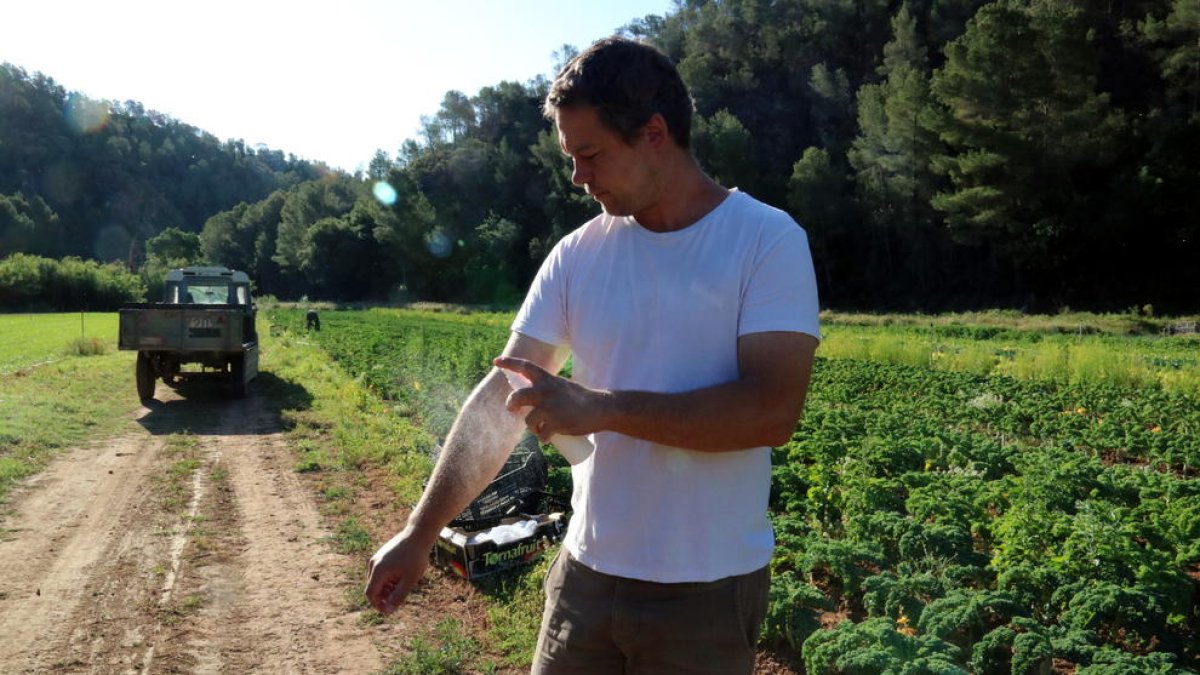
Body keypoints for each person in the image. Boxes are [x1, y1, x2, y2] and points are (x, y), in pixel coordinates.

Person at [365, 36, 820, 674]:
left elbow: (770, 412)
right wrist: (419, 534)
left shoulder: (765, 241)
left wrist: (601, 409)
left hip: (707, 591)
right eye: (570, 157)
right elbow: (504, 397)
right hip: (585, 575)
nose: (578, 177)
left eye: (591, 154)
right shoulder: (580, 253)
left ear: (654, 133)